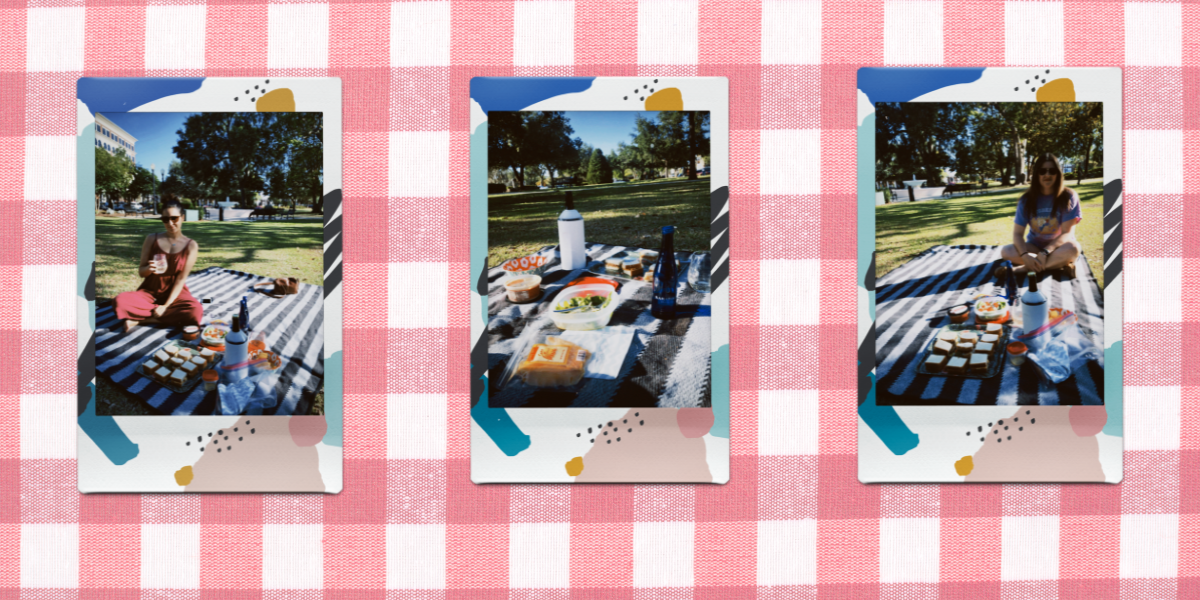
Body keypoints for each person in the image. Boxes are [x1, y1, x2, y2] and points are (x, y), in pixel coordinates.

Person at [112, 199, 204, 332]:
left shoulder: (191, 245)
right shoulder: (152, 239)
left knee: (195, 310)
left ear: (182, 217)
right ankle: (166, 316)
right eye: (165, 219)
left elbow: (180, 279)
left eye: (174, 218)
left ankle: (142, 319)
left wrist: (166, 306)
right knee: (120, 301)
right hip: (150, 291)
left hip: (175, 293)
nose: (170, 223)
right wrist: (149, 269)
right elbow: (141, 272)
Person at [997, 153, 1082, 280]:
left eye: (1052, 171)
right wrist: (1025, 255)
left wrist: (1046, 252)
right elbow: (1017, 234)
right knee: (1006, 251)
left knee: (1074, 248)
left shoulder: (1068, 196)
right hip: (1034, 247)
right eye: (1042, 171)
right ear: (1036, 174)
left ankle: (1022, 269)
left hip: (1059, 247)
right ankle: (1059, 264)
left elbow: (1067, 233)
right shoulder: (1026, 200)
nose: (1047, 175)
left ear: (1058, 173)